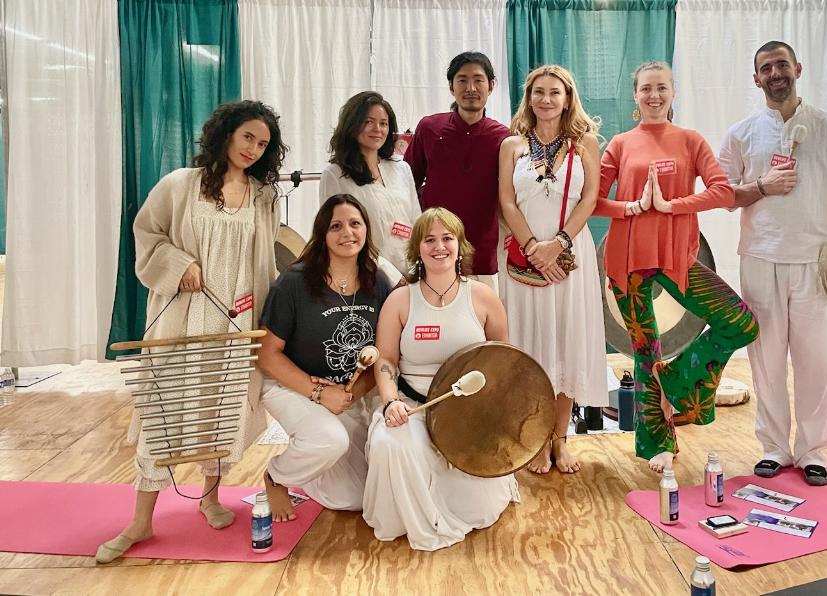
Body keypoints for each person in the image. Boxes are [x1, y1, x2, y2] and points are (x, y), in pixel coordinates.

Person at [97, 100, 287, 563]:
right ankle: (141, 520)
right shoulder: (180, 184)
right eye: (248, 137)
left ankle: (209, 496)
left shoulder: (263, 195)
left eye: (262, 144)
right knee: (162, 415)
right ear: (225, 133)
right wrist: (179, 264)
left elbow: (263, 262)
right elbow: (147, 233)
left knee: (219, 410)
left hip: (236, 321)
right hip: (182, 318)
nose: (253, 149)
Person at [718, 41, 827, 486]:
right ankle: (773, 447)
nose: (775, 73)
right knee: (765, 358)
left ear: (798, 69)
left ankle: (813, 450)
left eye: (781, 64)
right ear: (756, 79)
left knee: (814, 358)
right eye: (766, 68)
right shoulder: (742, 132)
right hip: (760, 257)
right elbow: (723, 195)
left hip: (816, 260)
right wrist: (763, 186)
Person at [594, 62, 759, 474]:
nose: (654, 95)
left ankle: (678, 380)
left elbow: (723, 191)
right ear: (636, 96)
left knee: (741, 323)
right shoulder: (619, 143)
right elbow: (592, 201)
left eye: (661, 88)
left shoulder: (690, 141)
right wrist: (632, 207)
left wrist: (672, 206)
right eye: (646, 89)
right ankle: (656, 446)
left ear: (672, 93)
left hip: (677, 257)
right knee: (645, 352)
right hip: (627, 260)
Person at [362, 208, 519, 551]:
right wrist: (390, 402)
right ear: (417, 248)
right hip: (412, 406)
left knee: (476, 507)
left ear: (460, 245)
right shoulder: (400, 300)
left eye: (447, 238)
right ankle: (414, 518)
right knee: (393, 444)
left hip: (471, 412)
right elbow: (386, 361)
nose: (439, 247)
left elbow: (502, 361)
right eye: (429, 240)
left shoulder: (483, 297)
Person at [497, 65, 605, 474]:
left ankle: (560, 440)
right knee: (531, 348)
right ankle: (534, 437)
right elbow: (506, 203)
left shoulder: (586, 143)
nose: (545, 99)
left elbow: (590, 198)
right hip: (525, 258)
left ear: (567, 97)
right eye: (538, 92)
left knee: (566, 344)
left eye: (554, 92)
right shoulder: (511, 145)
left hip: (569, 256)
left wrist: (556, 244)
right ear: (528, 98)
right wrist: (531, 247)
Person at [257, 194, 392, 521]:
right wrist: (319, 393)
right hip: (290, 386)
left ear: (366, 230)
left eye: (355, 223)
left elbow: (385, 353)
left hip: (345, 395)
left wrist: (350, 394)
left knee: (357, 497)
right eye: (336, 226)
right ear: (322, 234)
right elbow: (267, 354)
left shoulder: (378, 282)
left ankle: (315, 458)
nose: (348, 232)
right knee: (330, 440)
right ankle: (277, 477)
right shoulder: (294, 282)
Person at [404, 52, 509, 289]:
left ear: (491, 86)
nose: (470, 87)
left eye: (478, 80)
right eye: (462, 80)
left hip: (482, 255)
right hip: (433, 249)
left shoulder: (504, 137)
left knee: (480, 322)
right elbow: (406, 181)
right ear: (451, 87)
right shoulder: (429, 127)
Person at [320, 91, 421, 280]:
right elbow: (336, 235)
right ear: (352, 124)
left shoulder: (401, 167)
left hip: (412, 274)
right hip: (368, 277)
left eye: (383, 123)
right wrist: (391, 276)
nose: (378, 129)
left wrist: (421, 269)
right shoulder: (334, 174)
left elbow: (417, 222)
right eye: (368, 122)